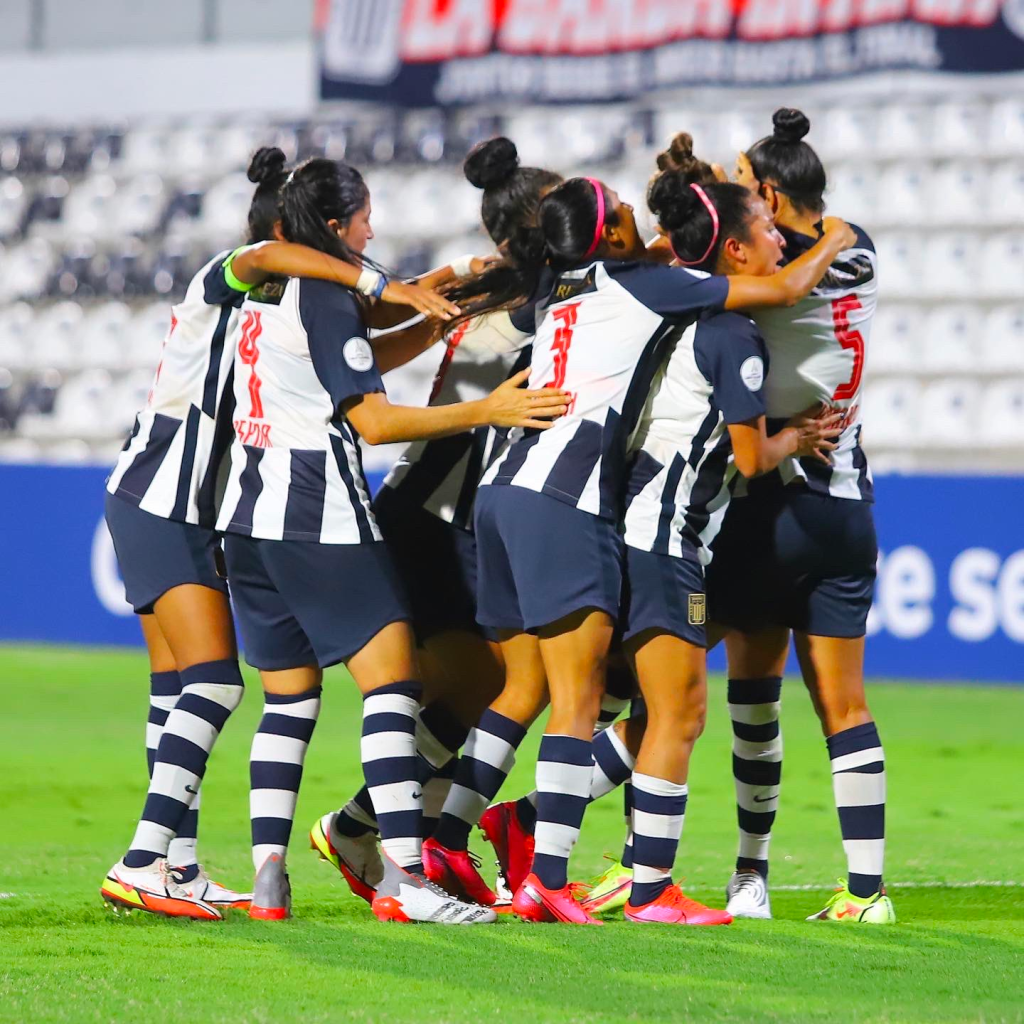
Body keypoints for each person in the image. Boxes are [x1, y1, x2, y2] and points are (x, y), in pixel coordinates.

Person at [440, 174, 856, 924]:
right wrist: (835, 236)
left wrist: (699, 206)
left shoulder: (584, 285)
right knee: (661, 708)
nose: (775, 236)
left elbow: (675, 250)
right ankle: (628, 885)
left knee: (564, 697)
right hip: (629, 522)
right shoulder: (703, 315)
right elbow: (781, 310)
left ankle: (467, 835)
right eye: (762, 227)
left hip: (524, 497)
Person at [100, 147, 459, 921]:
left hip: (181, 500)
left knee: (175, 692)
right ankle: (140, 857)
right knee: (216, 681)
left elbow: (347, 359)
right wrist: (376, 281)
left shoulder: (272, 308)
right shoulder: (234, 274)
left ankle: (176, 863)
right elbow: (279, 262)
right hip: (169, 498)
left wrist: (427, 304)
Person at [214, 156, 568, 924]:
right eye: (364, 218)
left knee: (299, 700)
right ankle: (409, 869)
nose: (374, 231)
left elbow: (356, 358)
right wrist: (487, 409)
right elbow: (370, 417)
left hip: (250, 513)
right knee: (402, 687)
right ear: (336, 226)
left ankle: (278, 867)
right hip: (328, 510)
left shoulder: (269, 288)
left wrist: (427, 297)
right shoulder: (337, 294)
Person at [712, 108, 893, 924]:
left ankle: (749, 873)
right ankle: (867, 891)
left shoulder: (777, 279)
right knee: (846, 706)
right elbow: (830, 233)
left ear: (772, 195)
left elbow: (754, 277)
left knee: (744, 694)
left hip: (771, 503)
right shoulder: (858, 248)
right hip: (849, 507)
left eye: (751, 192)